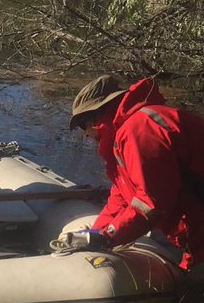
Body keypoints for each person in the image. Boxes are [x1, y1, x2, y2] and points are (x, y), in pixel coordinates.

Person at [64, 74, 204, 270]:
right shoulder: (123, 137)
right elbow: (121, 197)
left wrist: (108, 238)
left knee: (191, 291)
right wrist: (95, 234)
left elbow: (152, 204)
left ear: (97, 117)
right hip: (194, 233)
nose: (85, 134)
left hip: (199, 231)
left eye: (83, 126)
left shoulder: (140, 129)